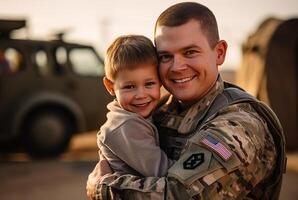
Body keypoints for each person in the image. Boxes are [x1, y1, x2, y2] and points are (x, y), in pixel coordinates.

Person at [87, 2, 286, 200]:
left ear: (219, 53)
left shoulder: (240, 123)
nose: (177, 67)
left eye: (190, 52)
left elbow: (180, 195)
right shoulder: (159, 109)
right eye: (165, 56)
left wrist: (103, 188)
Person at [93, 35, 174, 180]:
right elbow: (165, 172)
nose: (141, 95)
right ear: (110, 86)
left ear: (160, 81)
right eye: (129, 87)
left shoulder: (138, 116)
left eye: (149, 84)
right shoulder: (126, 126)